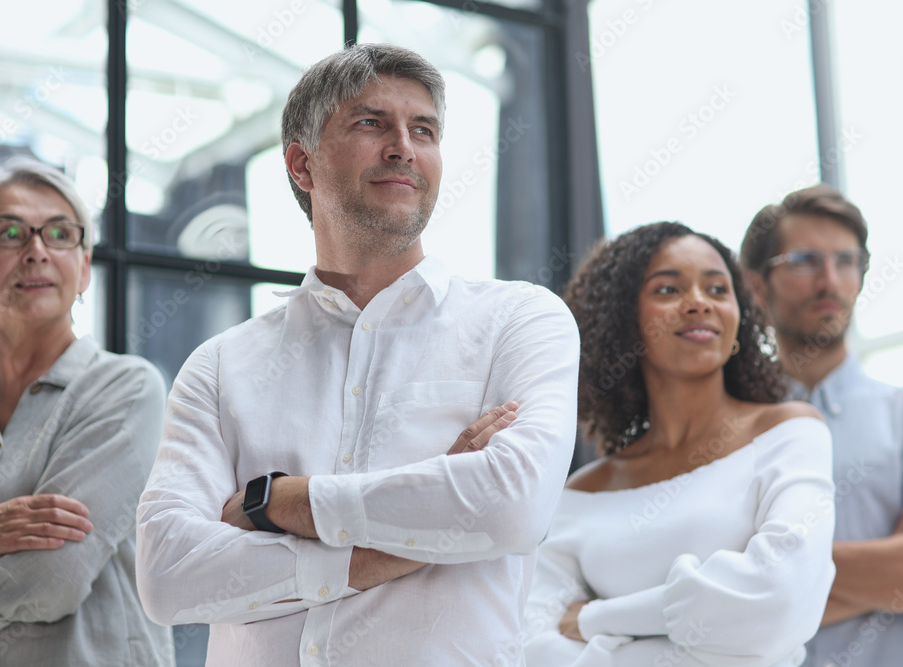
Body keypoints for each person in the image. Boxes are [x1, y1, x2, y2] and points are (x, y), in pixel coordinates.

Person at [136, 43, 579, 665]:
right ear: (302, 164)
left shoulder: (519, 320)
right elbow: (168, 577)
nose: (403, 147)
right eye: (372, 123)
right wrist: (408, 535)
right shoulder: (219, 366)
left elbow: (510, 507)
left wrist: (278, 503)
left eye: (423, 130)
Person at [523, 221, 836, 665]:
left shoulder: (789, 432)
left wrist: (597, 619)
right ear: (624, 322)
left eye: (717, 289)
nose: (698, 303)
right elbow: (533, 646)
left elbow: (780, 599)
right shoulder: (581, 492)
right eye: (668, 290)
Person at [0, 159, 173, 666]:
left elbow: (52, 581)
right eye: (8, 232)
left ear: (85, 267)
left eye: (60, 233)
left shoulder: (126, 389)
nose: (36, 251)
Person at [740, 185, 903, 666]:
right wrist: (878, 580)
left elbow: (725, 591)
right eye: (805, 260)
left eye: (846, 261)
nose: (830, 281)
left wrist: (764, 579)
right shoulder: (724, 431)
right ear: (756, 287)